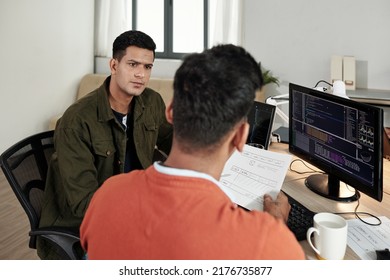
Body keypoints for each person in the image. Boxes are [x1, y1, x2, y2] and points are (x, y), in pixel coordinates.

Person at [80, 44, 305, 260]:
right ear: (240, 138)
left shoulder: (106, 196)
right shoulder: (270, 242)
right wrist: (276, 223)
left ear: (170, 112)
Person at [37, 30, 173, 259]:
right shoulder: (77, 121)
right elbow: (85, 204)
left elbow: (174, 143)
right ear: (113, 65)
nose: (141, 74)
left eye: (147, 67)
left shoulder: (151, 102)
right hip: (87, 228)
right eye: (132, 64)